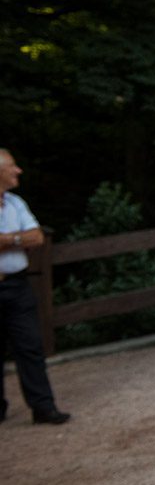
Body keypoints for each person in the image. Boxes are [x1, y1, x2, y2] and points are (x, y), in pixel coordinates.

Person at [0, 149, 70, 426]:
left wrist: (5, 239)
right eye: (12, 166)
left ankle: (43, 406)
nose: (18, 171)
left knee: (30, 345)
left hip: (17, 285)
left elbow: (37, 236)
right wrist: (18, 238)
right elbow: (26, 237)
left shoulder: (16, 203)